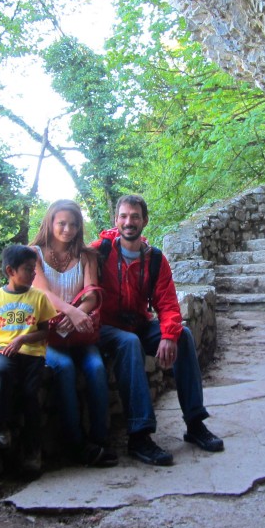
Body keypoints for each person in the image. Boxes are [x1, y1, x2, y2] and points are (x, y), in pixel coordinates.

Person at [93, 194, 224, 466]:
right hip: (105, 329)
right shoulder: (100, 252)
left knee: (183, 335)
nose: (129, 222)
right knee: (129, 342)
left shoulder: (154, 259)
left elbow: (167, 303)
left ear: (145, 221)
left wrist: (168, 335)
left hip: (138, 324)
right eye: (124, 216)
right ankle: (139, 436)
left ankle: (195, 423)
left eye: (135, 217)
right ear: (116, 220)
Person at [31, 199, 118, 467]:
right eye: (62, 223)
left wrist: (78, 313)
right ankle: (76, 444)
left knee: (95, 367)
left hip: (79, 332)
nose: (67, 229)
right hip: (47, 334)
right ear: (50, 223)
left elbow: (92, 293)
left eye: (73, 224)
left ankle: (100, 440)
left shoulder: (86, 255)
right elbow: (43, 293)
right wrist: (72, 312)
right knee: (65, 368)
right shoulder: (33, 254)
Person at [0, 244, 58, 475]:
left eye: (34, 269)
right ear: (10, 271)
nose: (33, 273)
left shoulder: (39, 297)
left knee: (29, 394)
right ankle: (1, 427)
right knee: (1, 373)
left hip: (32, 354)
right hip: (5, 352)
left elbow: (45, 331)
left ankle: (33, 451)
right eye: (28, 269)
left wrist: (23, 339)